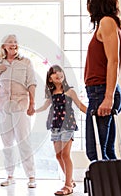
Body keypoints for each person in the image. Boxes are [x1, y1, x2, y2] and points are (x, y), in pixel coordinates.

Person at [0, 34, 37, 188]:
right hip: (4, 107)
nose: (13, 44)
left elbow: (32, 83)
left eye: (15, 42)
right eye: (10, 42)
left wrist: (32, 104)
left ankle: (31, 176)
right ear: (4, 46)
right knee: (7, 143)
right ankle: (10, 175)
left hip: (21, 105)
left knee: (24, 141)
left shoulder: (26, 62)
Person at [35, 65, 87, 195]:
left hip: (67, 124)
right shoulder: (51, 93)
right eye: (54, 73)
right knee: (58, 156)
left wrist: (92, 113)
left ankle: (68, 185)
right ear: (50, 79)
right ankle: (71, 180)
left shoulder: (69, 91)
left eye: (60, 72)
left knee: (65, 155)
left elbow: (80, 105)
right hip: (55, 125)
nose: (58, 74)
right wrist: (33, 111)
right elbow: (45, 106)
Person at [84, 0, 121, 161]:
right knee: (105, 151)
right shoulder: (107, 23)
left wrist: (108, 98)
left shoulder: (107, 22)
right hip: (99, 91)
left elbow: (113, 61)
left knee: (97, 153)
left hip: (101, 92)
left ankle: (107, 187)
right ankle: (113, 187)